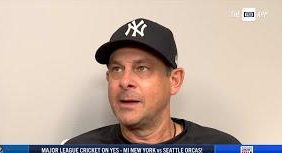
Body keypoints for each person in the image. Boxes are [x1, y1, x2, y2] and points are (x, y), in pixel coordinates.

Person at [65, 18, 240, 144]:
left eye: (142, 68)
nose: (125, 81)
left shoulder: (222, 150)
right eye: (117, 69)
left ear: (174, 81)